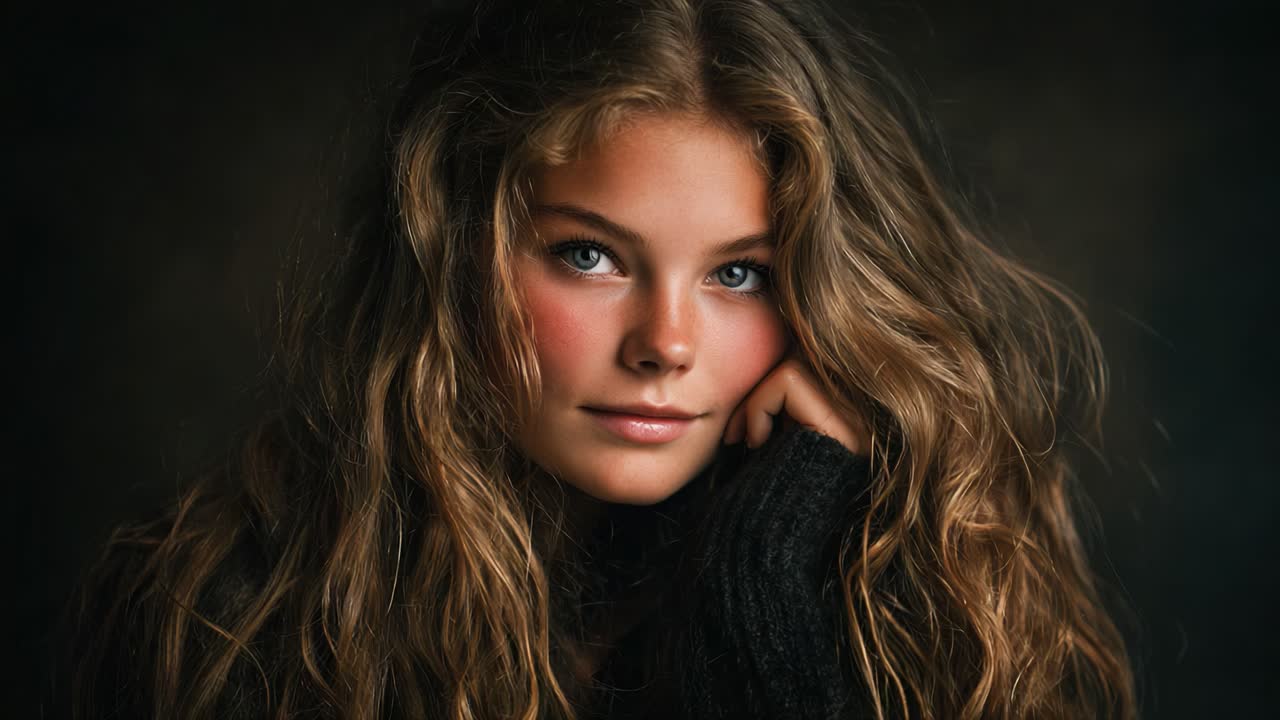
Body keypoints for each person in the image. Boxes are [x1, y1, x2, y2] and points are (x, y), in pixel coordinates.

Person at [51, 0, 1138, 717]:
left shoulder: (911, 588)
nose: (663, 345)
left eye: (739, 275)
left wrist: (760, 593)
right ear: (454, 253)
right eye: (588, 256)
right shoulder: (229, 612)